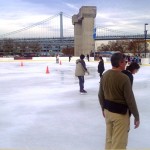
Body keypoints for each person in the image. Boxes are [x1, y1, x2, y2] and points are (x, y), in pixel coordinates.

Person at [98, 52, 140, 149]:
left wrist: (103, 109)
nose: (126, 63)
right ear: (120, 63)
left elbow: (100, 95)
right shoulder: (124, 78)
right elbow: (130, 99)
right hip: (119, 115)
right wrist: (136, 116)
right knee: (119, 143)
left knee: (109, 139)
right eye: (125, 61)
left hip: (107, 112)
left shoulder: (105, 75)